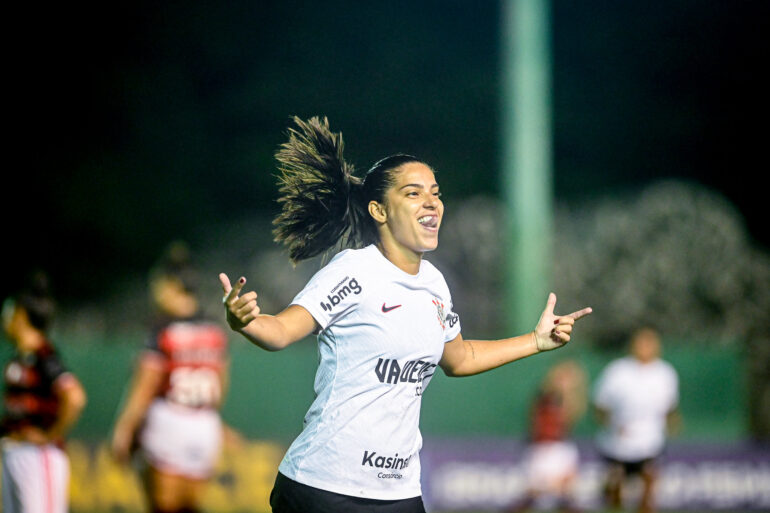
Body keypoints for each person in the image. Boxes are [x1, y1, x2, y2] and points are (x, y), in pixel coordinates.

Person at [219, 116, 593, 513]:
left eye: (436, 193)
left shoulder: (434, 283)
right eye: (414, 194)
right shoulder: (355, 270)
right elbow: (280, 330)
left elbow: (459, 357)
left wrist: (535, 341)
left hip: (398, 492)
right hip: (326, 486)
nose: (432, 202)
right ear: (379, 210)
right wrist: (245, 321)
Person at [111, 242, 230, 513]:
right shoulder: (214, 327)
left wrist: (124, 429)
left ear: (171, 285)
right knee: (191, 507)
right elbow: (221, 384)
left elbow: (144, 387)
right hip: (205, 424)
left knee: (162, 507)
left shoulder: (161, 329)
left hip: (169, 421)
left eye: (158, 284)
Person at [1, 271, 87, 513]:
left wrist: (50, 435)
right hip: (14, 452)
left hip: (39, 455)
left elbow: (75, 397)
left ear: (21, 316)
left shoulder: (45, 356)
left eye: (10, 313)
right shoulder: (19, 359)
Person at [592, 327, 680, 513]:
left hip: (650, 440)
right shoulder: (618, 371)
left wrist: (672, 424)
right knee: (616, 485)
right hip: (618, 440)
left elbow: (670, 407)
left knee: (649, 482)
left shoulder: (665, 373)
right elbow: (601, 405)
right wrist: (612, 426)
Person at [511, 360, 587, 512]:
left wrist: (570, 391)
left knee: (566, 497)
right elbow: (534, 418)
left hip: (560, 448)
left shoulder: (567, 401)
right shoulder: (543, 397)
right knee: (532, 494)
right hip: (539, 447)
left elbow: (571, 417)